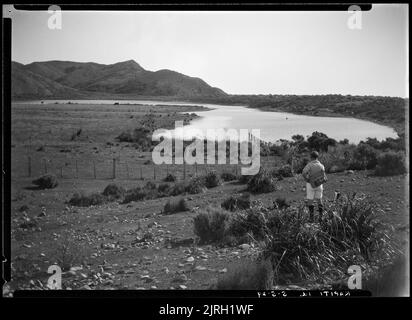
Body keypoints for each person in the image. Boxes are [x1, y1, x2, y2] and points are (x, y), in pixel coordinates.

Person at [302, 151, 327, 222]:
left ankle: (311, 218)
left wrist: (307, 179)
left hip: (311, 185)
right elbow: (323, 175)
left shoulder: (309, 165)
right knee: (319, 200)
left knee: (310, 201)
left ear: (311, 157)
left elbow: (303, 172)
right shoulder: (321, 165)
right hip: (319, 184)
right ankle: (321, 217)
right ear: (317, 157)